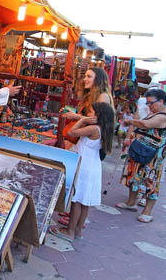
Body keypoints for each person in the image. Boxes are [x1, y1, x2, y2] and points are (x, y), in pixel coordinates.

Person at [49, 102, 115, 241]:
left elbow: (71, 132)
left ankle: (70, 231)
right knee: (85, 201)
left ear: (98, 116)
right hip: (92, 164)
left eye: (90, 112)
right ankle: (77, 231)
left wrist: (82, 120)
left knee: (77, 199)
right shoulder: (103, 129)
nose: (88, 115)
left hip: (84, 164)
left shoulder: (94, 128)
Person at [59, 67, 113, 226]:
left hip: (89, 147)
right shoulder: (93, 95)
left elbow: (97, 119)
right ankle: (74, 221)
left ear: (98, 79)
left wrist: (76, 117)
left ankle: (74, 224)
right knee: (81, 194)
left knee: (80, 192)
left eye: (89, 76)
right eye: (85, 76)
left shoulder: (102, 96)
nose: (85, 79)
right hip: (88, 146)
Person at [116, 88, 166, 223]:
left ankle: (147, 211)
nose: (149, 106)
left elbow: (145, 124)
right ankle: (131, 202)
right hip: (141, 150)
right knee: (135, 176)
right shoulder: (155, 113)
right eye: (147, 103)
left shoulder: (164, 116)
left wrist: (130, 121)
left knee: (151, 182)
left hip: (154, 155)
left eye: (151, 103)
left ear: (161, 101)